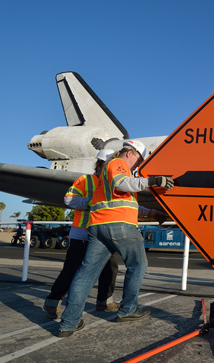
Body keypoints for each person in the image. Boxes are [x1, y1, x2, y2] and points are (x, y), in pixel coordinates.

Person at [58, 140, 174, 337]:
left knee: (86, 274)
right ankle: (128, 310)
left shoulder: (104, 180)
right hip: (120, 227)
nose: (138, 165)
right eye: (139, 159)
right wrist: (153, 181)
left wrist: (153, 213)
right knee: (137, 265)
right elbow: (123, 184)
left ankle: (69, 323)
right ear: (131, 153)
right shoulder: (117, 163)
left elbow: (124, 204)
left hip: (98, 228)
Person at [43, 149, 120, 319]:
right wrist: (91, 202)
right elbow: (69, 199)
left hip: (104, 234)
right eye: (108, 165)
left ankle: (105, 302)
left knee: (110, 268)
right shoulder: (85, 180)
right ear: (100, 164)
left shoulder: (112, 183)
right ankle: (52, 302)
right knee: (72, 269)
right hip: (82, 234)